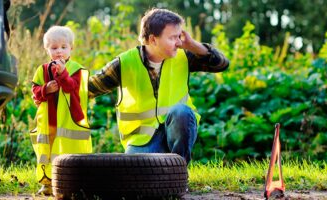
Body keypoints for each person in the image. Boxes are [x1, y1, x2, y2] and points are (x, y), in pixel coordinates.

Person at [88, 8, 229, 164]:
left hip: (176, 129)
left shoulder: (183, 56)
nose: (178, 42)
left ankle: (179, 170)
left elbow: (222, 64)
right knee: (136, 176)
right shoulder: (125, 63)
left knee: (182, 111)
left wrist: (193, 45)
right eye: (172, 38)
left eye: (179, 36)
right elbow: (90, 88)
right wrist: (61, 80)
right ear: (153, 40)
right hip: (142, 139)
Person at [30, 26, 92, 195]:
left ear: (71, 48)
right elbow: (35, 93)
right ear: (47, 49)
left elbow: (71, 87)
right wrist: (45, 89)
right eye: (54, 48)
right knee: (47, 153)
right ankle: (47, 183)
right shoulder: (41, 70)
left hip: (70, 120)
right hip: (48, 121)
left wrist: (63, 73)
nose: (59, 52)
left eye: (63, 47)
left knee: (69, 152)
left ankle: (74, 183)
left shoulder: (76, 69)